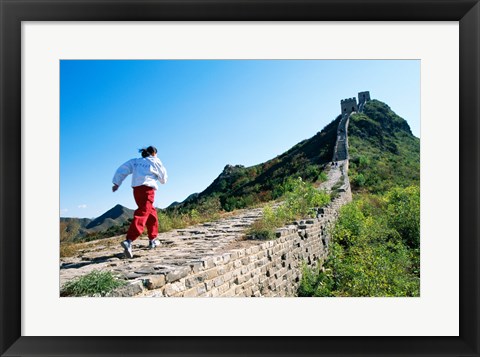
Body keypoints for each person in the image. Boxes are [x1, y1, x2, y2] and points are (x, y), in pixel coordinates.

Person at [112, 146, 167, 258]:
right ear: (153, 153)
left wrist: (117, 183)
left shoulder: (135, 161)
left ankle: (153, 239)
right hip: (147, 189)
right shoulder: (155, 160)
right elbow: (163, 179)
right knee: (143, 212)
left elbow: (122, 169)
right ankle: (129, 240)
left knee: (151, 214)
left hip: (137, 190)